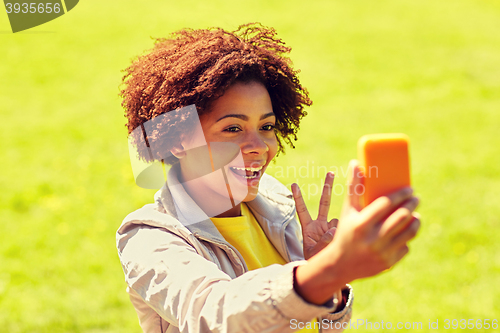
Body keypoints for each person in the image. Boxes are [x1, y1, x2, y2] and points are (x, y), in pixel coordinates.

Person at [116, 23, 420, 333]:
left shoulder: (277, 206)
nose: (260, 146)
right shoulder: (148, 237)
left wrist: (330, 286)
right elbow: (214, 314)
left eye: (267, 127)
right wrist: (327, 270)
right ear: (179, 140)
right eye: (233, 129)